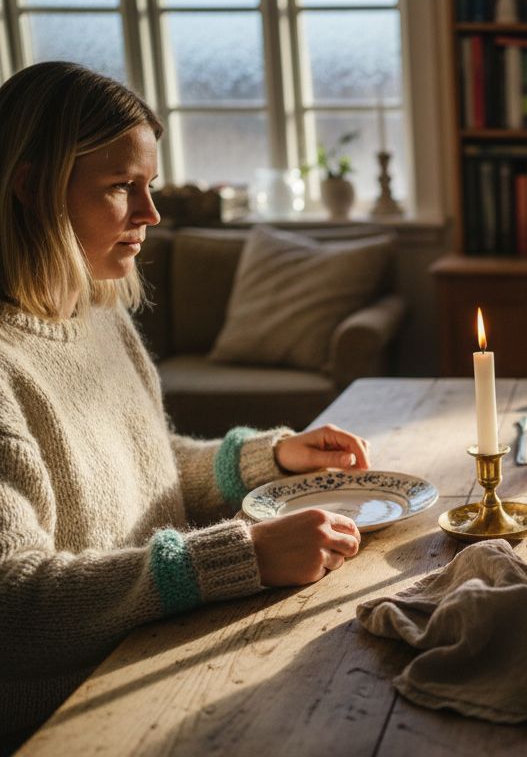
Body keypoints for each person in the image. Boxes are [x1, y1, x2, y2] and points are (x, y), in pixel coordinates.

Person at [0, 61, 372, 740]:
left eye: (151, 186)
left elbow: (148, 467)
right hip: (73, 721)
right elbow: (14, 605)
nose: (151, 214)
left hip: (159, 659)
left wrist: (271, 459)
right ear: (30, 188)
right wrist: (241, 557)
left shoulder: (97, 311)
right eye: (120, 187)